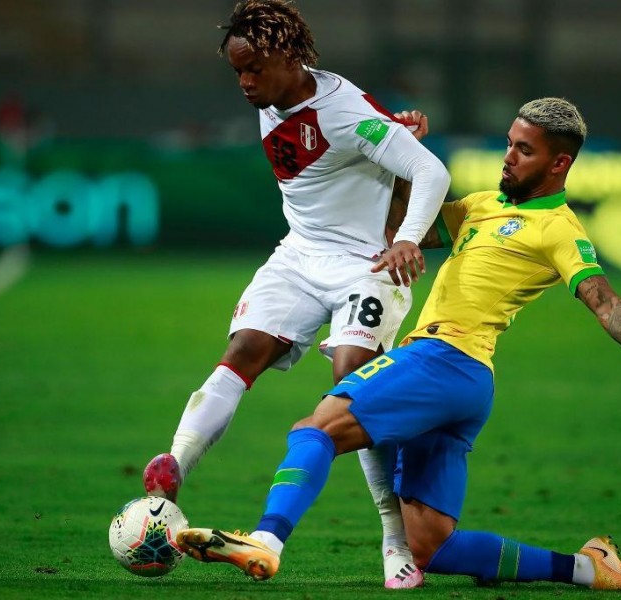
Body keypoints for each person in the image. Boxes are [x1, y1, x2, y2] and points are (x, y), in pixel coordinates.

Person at [173, 97, 621, 592]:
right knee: (431, 545)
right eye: (508, 143)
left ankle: (266, 540)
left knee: (314, 429)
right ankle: (589, 568)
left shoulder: (558, 228)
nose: (509, 157)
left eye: (524, 150)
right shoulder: (480, 207)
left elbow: (600, 297)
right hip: (465, 382)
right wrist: (403, 152)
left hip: (445, 358)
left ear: (559, 164)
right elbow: (397, 228)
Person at [141, 0, 449, 590]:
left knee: (354, 387)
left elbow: (430, 171)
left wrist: (407, 239)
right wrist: (395, 127)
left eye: (254, 68)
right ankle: (171, 469)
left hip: (366, 265)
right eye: (237, 71)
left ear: (289, 56)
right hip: (299, 255)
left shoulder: (342, 110)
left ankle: (394, 537)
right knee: (240, 353)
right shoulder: (281, 96)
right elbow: (380, 139)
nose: (245, 83)